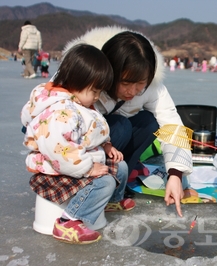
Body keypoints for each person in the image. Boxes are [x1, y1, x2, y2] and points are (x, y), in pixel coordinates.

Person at [62, 26, 193, 217]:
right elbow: (54, 120)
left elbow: (171, 124)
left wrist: (175, 173)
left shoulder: (152, 85)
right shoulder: (83, 72)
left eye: (140, 83)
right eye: (125, 83)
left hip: (111, 142)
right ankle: (89, 185)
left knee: (149, 122)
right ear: (110, 71)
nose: (133, 91)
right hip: (76, 145)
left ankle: (117, 184)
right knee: (121, 127)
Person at [21, 44, 134, 244]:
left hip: (82, 162)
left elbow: (92, 130)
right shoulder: (60, 112)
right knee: (105, 182)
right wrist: (88, 169)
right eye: (95, 91)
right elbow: (60, 151)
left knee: (121, 167)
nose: (98, 97)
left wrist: (107, 145)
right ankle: (69, 221)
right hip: (60, 169)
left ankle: (110, 202)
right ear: (77, 81)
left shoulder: (79, 103)